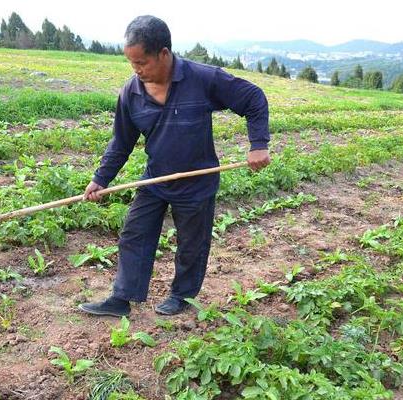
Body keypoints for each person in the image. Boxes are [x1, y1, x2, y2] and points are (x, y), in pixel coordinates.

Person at [78, 15, 270, 317]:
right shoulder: (131, 92)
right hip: (155, 180)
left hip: (197, 183)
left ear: (164, 54)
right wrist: (101, 179)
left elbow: (254, 98)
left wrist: (258, 144)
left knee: (192, 245)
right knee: (134, 233)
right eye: (132, 64)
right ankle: (122, 298)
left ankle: (181, 296)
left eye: (142, 63)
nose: (137, 70)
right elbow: (121, 142)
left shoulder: (203, 79)